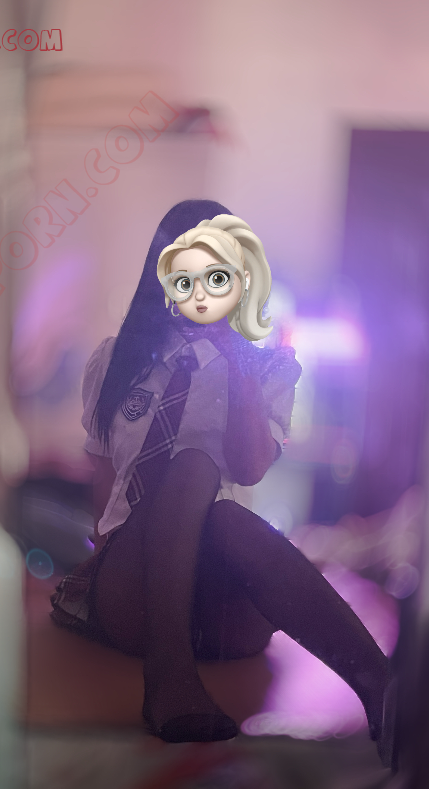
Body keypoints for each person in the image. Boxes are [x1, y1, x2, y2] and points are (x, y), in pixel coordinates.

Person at [51, 200, 392, 755]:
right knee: (194, 464)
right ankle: (169, 676)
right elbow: (103, 484)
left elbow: (251, 467)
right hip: (134, 587)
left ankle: (381, 686)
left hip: (222, 599)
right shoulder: (115, 361)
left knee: (223, 510)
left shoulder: (268, 368)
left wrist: (237, 360)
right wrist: (95, 569)